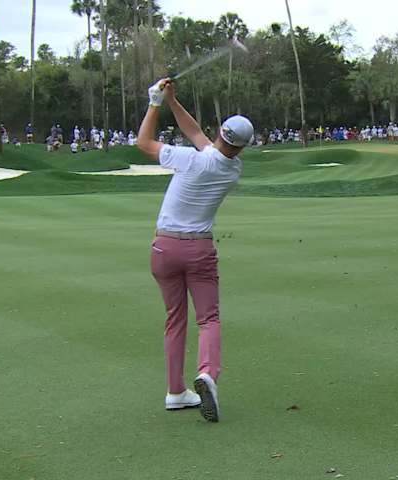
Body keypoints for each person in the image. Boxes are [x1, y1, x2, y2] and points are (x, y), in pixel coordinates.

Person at [137, 78, 253, 423]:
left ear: (220, 132)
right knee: (208, 318)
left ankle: (175, 392)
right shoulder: (232, 169)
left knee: (175, 319)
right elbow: (198, 136)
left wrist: (155, 102)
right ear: (242, 146)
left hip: (163, 247)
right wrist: (173, 100)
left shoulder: (190, 159)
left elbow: (143, 142)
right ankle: (206, 374)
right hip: (199, 249)